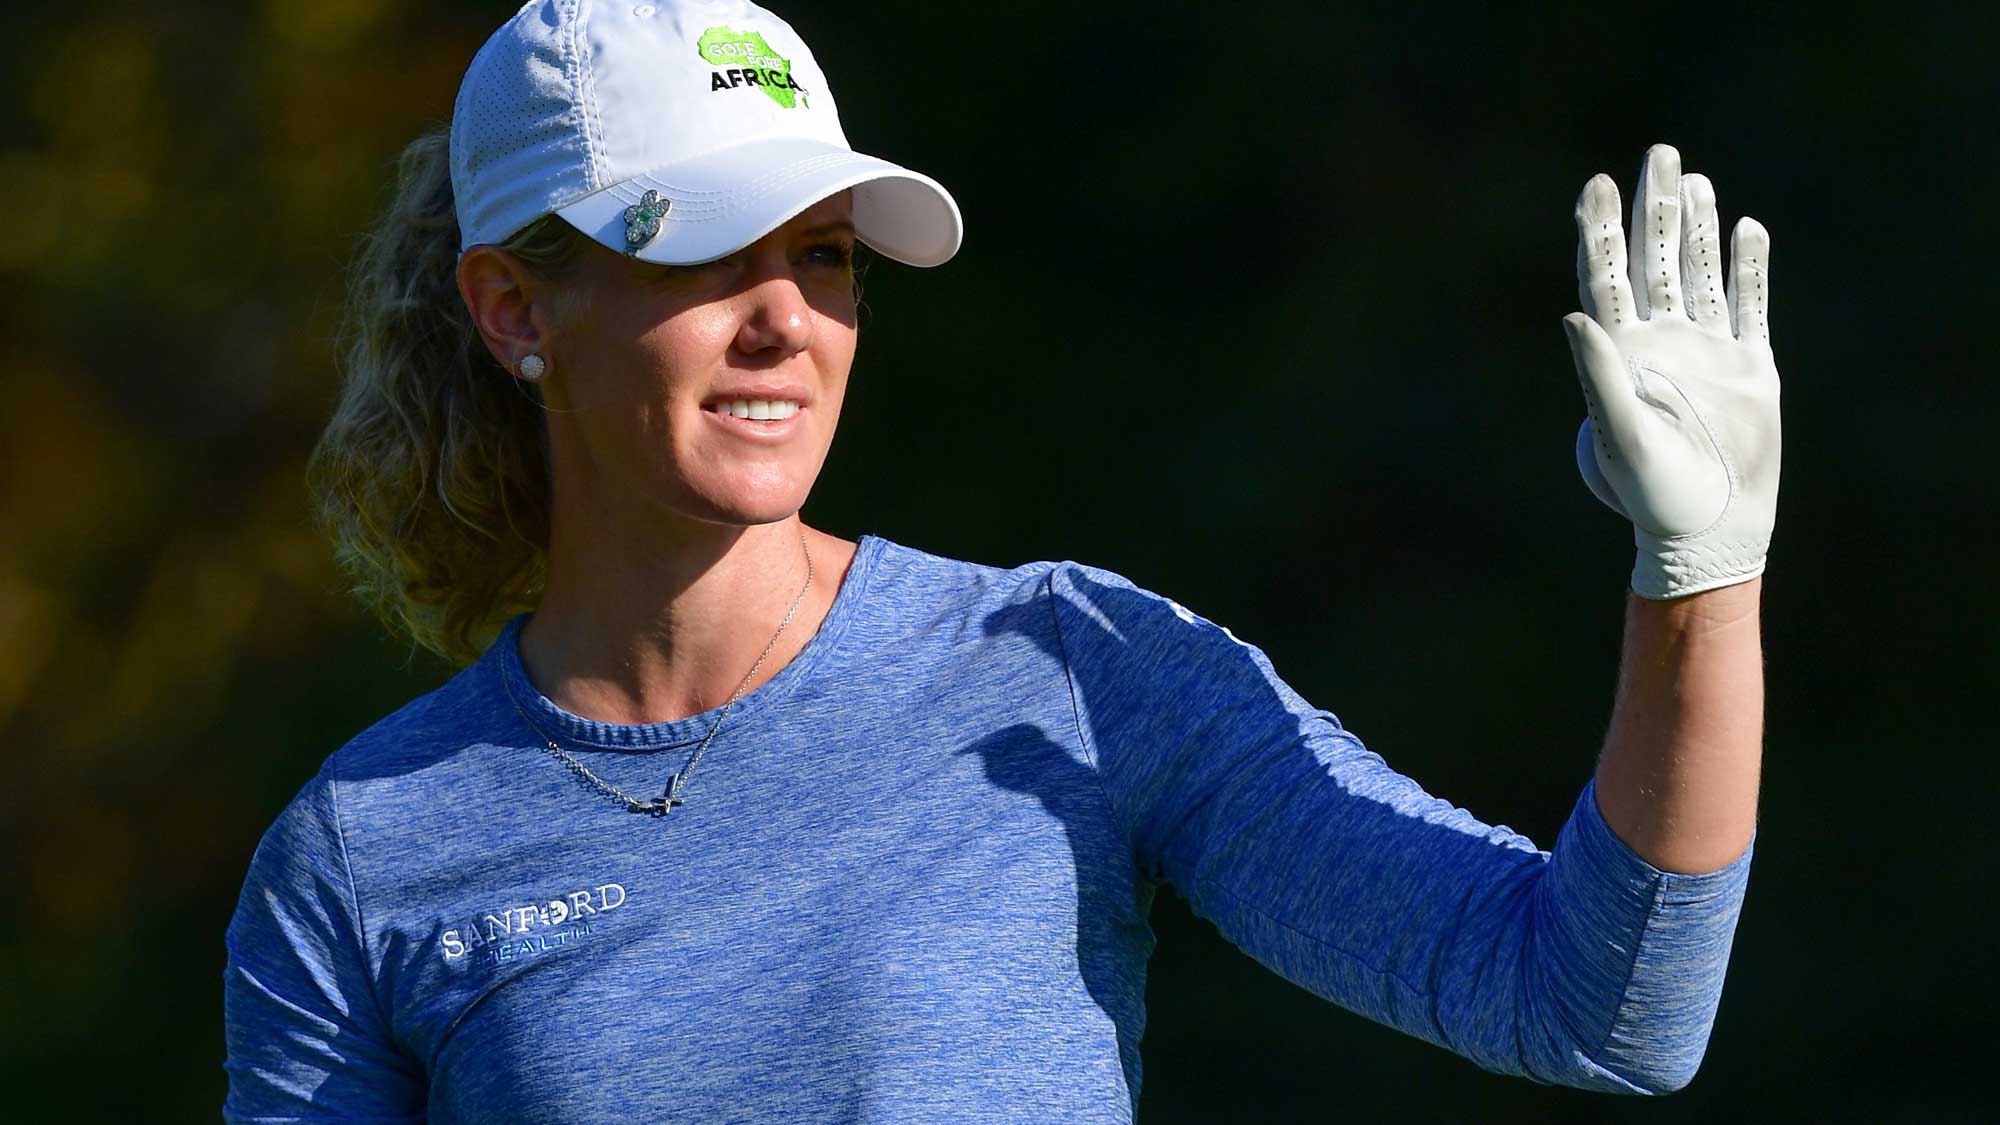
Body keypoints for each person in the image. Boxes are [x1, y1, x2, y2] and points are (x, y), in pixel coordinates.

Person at [221, 0, 1778, 1120]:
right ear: (513, 310)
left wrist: (1698, 571)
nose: (786, 318)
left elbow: (1598, 1008)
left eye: (822, 255)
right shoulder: (360, 858)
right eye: (702, 249)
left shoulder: (1072, 666)